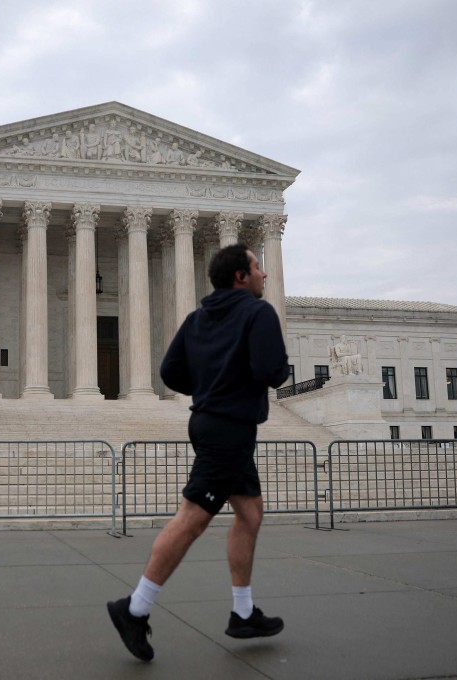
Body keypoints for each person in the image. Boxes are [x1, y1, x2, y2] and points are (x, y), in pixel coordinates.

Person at [107, 243, 290, 662]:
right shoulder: (258, 313)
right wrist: (235, 386)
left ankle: (243, 612)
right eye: (258, 267)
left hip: (213, 422)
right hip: (230, 427)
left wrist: (208, 388)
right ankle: (134, 608)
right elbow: (272, 371)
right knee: (192, 517)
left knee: (250, 512)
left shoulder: (197, 317)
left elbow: (170, 371)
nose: (266, 274)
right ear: (241, 277)